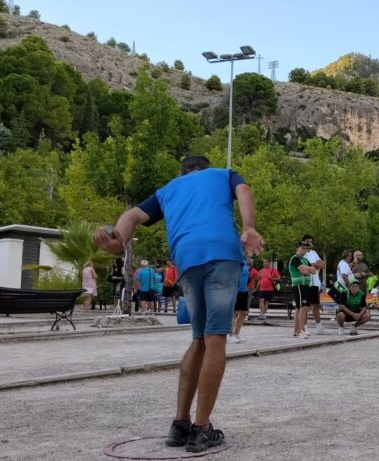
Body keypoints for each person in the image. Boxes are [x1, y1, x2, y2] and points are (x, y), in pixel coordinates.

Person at [93, 155, 263, 453]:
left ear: (183, 172)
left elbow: (131, 216)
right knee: (215, 339)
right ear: (206, 168)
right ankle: (201, 429)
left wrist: (118, 239)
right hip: (221, 254)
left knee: (199, 339)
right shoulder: (222, 175)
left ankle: (180, 424)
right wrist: (249, 228)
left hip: (186, 260)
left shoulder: (168, 189)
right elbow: (244, 191)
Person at [289, 240, 318, 339]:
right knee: (302, 306)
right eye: (302, 248)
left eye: (305, 248)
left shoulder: (305, 260)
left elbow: (314, 271)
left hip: (305, 285)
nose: (304, 250)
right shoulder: (295, 258)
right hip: (299, 285)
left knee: (300, 307)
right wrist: (309, 269)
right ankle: (301, 330)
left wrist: (308, 269)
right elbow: (305, 270)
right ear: (297, 248)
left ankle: (297, 331)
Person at [301, 234, 326, 335]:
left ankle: (318, 325)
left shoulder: (314, 253)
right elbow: (304, 266)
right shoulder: (301, 253)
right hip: (306, 282)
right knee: (305, 306)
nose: (309, 243)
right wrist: (314, 265)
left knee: (315, 305)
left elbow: (322, 264)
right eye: (307, 241)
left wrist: (314, 265)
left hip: (315, 282)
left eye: (311, 241)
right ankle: (304, 327)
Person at [229, 259, 253, 344]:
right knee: (233, 312)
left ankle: (236, 333)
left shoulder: (245, 261)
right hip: (235, 290)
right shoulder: (234, 261)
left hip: (244, 291)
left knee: (243, 313)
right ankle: (231, 334)